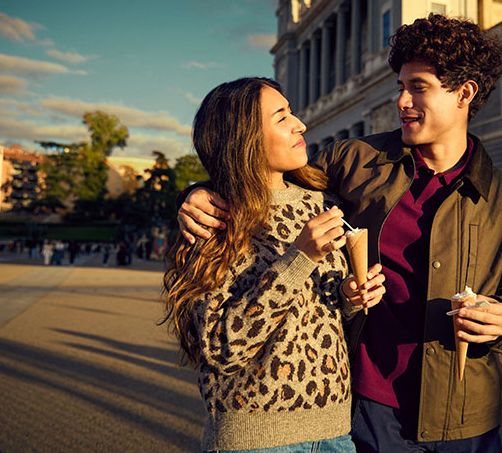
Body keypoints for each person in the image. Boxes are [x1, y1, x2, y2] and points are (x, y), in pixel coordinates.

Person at [176, 15, 502, 452]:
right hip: (369, 412)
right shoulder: (352, 161)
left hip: (468, 415)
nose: (403, 101)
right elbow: (262, 173)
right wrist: (201, 191)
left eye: (419, 87)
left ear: (464, 94)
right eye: (400, 86)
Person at [162, 77, 385, 453]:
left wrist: (349, 295)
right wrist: (300, 257)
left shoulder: (321, 201)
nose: (300, 124)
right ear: (243, 137)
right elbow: (222, 346)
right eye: (282, 117)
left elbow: (314, 314)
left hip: (337, 433)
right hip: (257, 441)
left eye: (291, 112)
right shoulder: (214, 217)